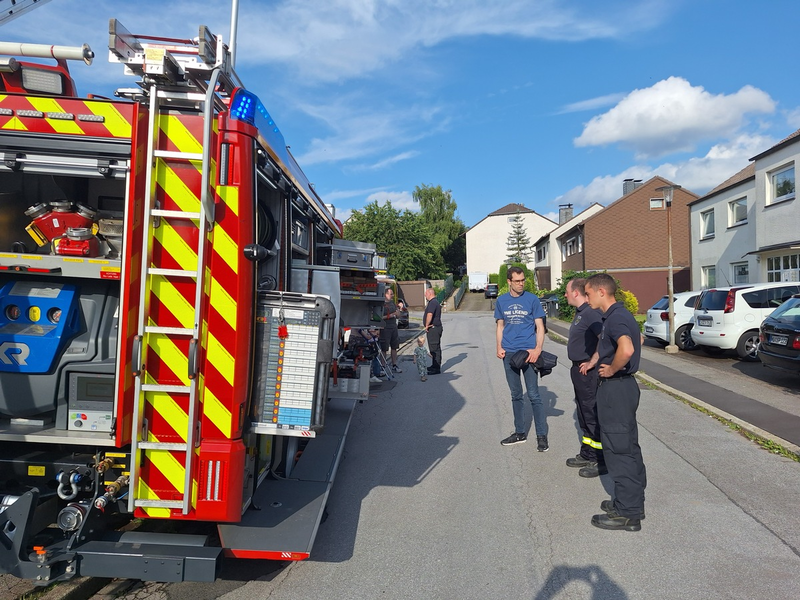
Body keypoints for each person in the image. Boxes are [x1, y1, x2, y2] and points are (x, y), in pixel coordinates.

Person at [582, 273, 646, 532]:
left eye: (587, 293)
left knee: (619, 450)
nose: (586, 298)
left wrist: (611, 370)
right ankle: (628, 501)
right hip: (623, 388)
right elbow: (639, 339)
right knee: (627, 445)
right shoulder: (619, 315)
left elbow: (628, 348)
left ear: (600, 292)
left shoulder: (616, 316)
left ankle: (628, 513)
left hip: (617, 387)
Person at [495, 267, 548, 451]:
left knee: (533, 395)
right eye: (517, 281)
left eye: (523, 280)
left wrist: (537, 350)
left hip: (528, 353)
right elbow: (500, 325)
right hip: (509, 352)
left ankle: (542, 436)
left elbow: (540, 327)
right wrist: (499, 346)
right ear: (509, 281)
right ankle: (519, 433)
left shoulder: (532, 300)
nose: (521, 283)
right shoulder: (501, 301)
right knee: (516, 395)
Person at [564, 278, 605, 478]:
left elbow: (603, 339)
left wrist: (593, 361)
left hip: (587, 372)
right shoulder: (582, 313)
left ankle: (599, 459)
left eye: (566, 292)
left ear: (576, 293)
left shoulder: (591, 313)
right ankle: (587, 452)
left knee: (591, 413)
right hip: (578, 370)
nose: (564, 295)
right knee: (583, 413)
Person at [380, 287, 402, 373]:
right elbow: (380, 317)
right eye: (390, 294)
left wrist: (398, 312)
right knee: (384, 348)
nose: (392, 295)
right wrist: (392, 315)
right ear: (385, 294)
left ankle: (394, 365)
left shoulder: (393, 303)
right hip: (385, 328)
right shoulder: (381, 304)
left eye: (392, 293)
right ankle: (382, 366)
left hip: (394, 327)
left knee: (394, 347)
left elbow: (398, 315)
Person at [423, 287, 443, 374]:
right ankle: (434, 365)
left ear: (430, 293)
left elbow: (430, 314)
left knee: (434, 348)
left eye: (426, 294)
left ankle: (436, 368)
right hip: (435, 328)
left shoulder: (433, 303)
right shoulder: (434, 302)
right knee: (434, 347)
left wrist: (427, 325)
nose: (425, 295)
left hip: (434, 328)